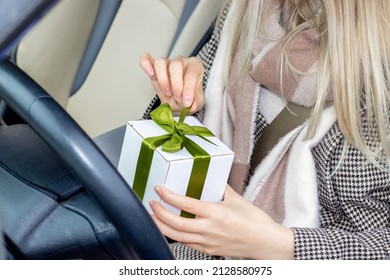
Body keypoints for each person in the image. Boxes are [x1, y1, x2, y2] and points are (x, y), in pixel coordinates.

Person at [139, 0, 390, 260]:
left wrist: (284, 246)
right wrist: (180, 109)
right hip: (190, 240)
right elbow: (198, 148)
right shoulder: (244, 11)